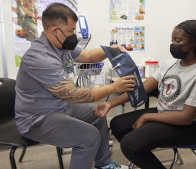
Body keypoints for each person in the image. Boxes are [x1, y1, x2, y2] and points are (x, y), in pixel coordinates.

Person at [15, 3, 134, 169]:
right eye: (71, 31)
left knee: (98, 116)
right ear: (55, 31)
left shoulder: (61, 45)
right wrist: (114, 88)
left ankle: (104, 165)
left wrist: (110, 50)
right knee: (89, 137)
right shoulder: (40, 57)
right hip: (36, 119)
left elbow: (90, 56)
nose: (74, 35)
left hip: (58, 107)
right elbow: (72, 95)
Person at [93, 20, 196, 169]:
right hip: (164, 113)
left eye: (178, 40)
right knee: (117, 125)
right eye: (172, 40)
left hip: (189, 126)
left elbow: (186, 118)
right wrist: (109, 103)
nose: (173, 44)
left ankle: (138, 148)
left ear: (193, 42)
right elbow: (140, 89)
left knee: (129, 144)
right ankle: (143, 154)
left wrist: (146, 117)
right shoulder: (169, 64)